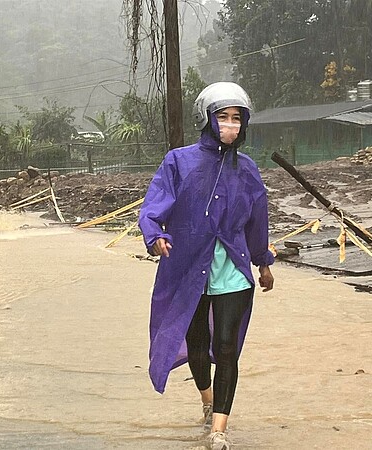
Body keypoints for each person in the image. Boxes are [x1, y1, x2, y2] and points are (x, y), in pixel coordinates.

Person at [138, 82, 274, 450]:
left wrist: (263, 262)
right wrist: (155, 235)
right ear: (208, 119)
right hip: (188, 268)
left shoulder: (246, 169)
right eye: (223, 117)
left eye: (236, 119)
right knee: (198, 348)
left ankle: (219, 430)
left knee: (227, 348)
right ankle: (207, 399)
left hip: (233, 270)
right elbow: (154, 204)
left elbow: (257, 220)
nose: (230, 125)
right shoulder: (178, 162)